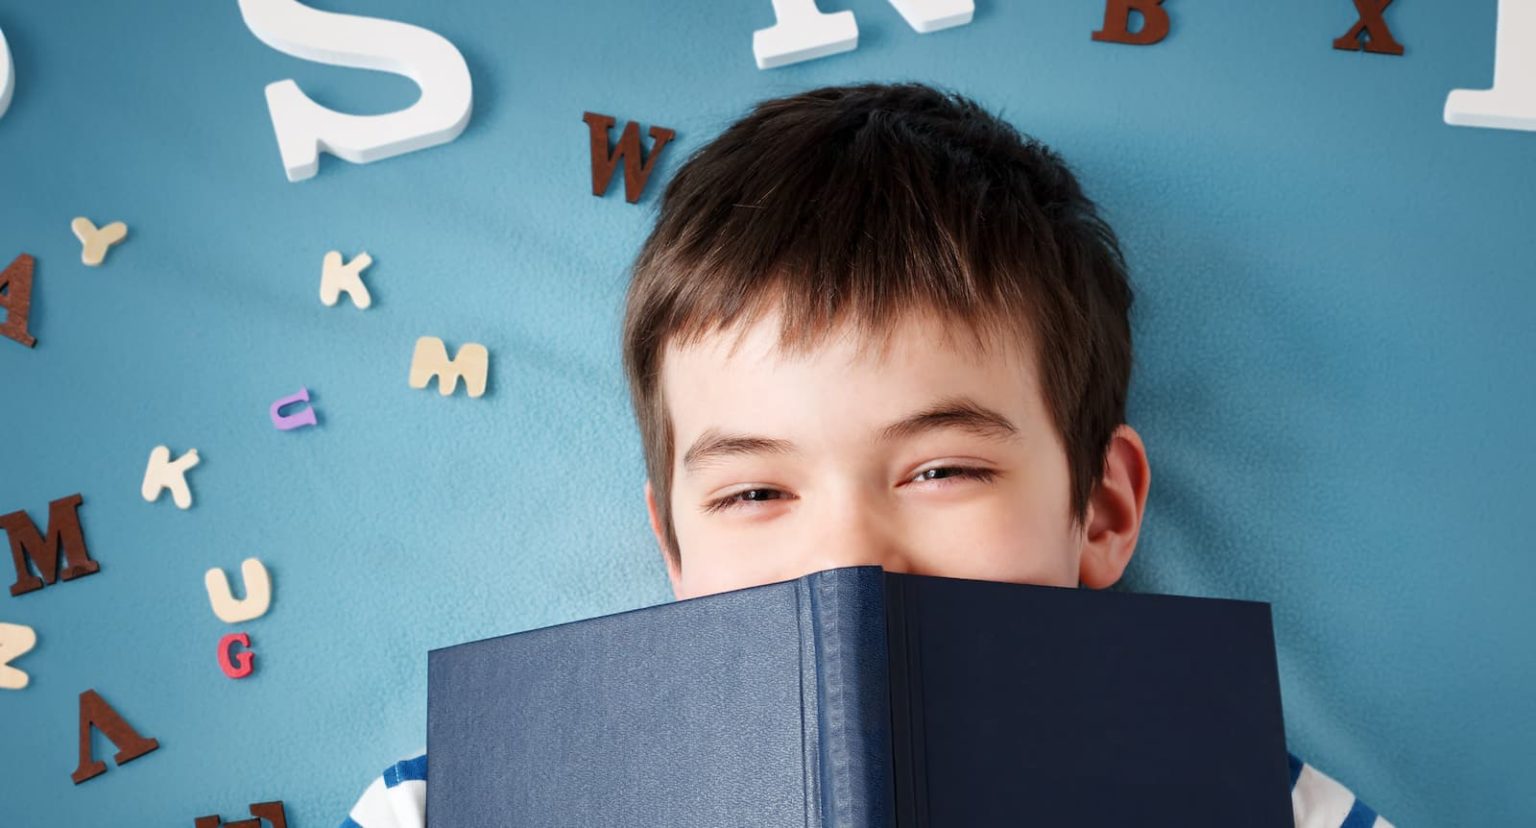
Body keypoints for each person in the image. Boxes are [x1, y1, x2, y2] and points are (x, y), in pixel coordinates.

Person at [340, 82, 1390, 828]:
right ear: (674, 548)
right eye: (754, 490)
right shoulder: (446, 804)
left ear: (1104, 511)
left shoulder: (1256, 801)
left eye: (942, 471)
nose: (848, 561)